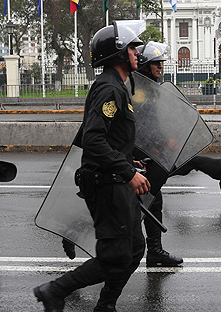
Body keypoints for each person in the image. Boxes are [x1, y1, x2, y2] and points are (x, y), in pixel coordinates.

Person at [34, 22, 151, 312]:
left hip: (115, 177)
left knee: (134, 249)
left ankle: (106, 304)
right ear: (119, 54)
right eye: (133, 47)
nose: (138, 52)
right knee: (115, 254)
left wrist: (127, 160)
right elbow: (94, 139)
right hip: (107, 182)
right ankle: (54, 290)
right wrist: (127, 172)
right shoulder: (109, 88)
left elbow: (110, 138)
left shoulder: (117, 87)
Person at [134, 41, 184, 267]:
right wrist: (157, 143)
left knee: (153, 199)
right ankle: (74, 230)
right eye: (156, 63)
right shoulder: (139, 91)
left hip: (147, 154)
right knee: (119, 205)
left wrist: (165, 141)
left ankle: (154, 251)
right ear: (145, 65)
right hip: (135, 156)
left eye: (161, 63)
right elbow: (140, 126)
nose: (160, 67)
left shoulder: (151, 89)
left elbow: (153, 125)